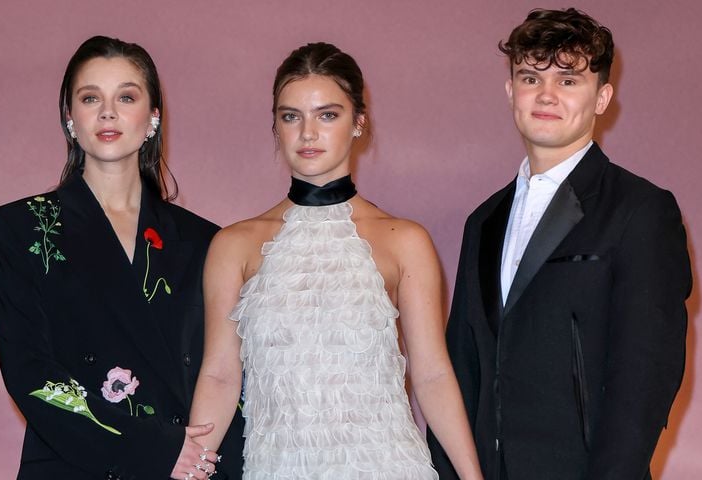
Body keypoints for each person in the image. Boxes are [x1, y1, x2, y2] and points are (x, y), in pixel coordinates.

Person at [188, 42, 483, 479]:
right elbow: (219, 376)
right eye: (291, 117)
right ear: (276, 126)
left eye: (327, 115)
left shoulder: (406, 241)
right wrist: (192, 469)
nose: (308, 134)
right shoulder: (234, 245)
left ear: (358, 122)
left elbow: (433, 375)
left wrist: (471, 477)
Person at [427, 8, 692, 480]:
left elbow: (645, 379)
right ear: (511, 91)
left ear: (602, 97)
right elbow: (463, 368)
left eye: (568, 80)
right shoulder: (483, 221)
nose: (546, 95)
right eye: (531, 77)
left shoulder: (641, 211)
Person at [0, 36, 243, 480]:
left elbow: (225, 375)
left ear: (152, 117)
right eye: (90, 98)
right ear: (70, 117)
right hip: (76, 466)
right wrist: (155, 450)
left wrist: (195, 456)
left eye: (126, 96)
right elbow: (31, 373)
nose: (108, 112)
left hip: (194, 469)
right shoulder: (18, 228)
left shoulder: (207, 241)